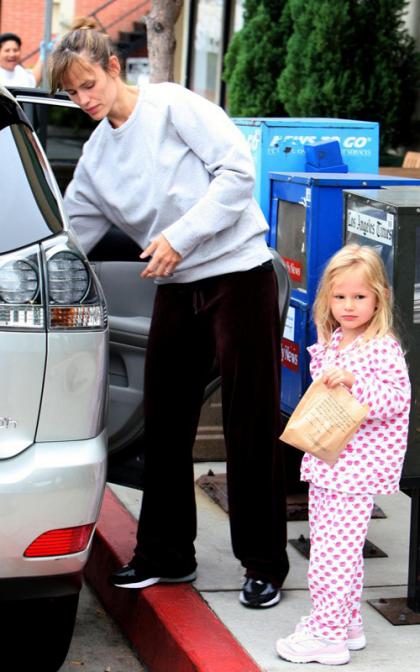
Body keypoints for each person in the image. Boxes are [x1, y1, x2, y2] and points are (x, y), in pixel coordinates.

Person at [49, 27, 289, 608]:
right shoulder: (97, 158)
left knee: (246, 422)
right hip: (178, 288)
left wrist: (178, 238)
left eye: (89, 84)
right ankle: (167, 555)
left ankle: (263, 565)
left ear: (113, 67)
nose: (85, 100)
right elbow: (68, 232)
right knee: (164, 421)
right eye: (73, 94)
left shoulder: (172, 104)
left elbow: (237, 174)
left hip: (238, 275)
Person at [276, 244, 411, 664]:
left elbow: (396, 398)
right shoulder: (339, 337)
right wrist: (327, 355)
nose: (349, 306)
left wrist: (354, 381)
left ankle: (328, 635)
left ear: (379, 298)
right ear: (327, 299)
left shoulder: (380, 347)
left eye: (359, 297)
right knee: (336, 551)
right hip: (330, 463)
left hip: (356, 471)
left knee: (332, 557)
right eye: (340, 297)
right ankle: (346, 623)